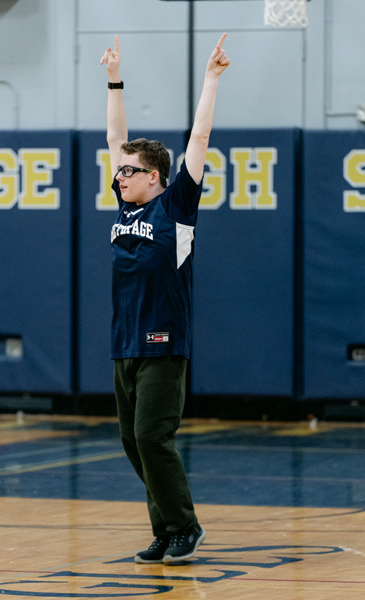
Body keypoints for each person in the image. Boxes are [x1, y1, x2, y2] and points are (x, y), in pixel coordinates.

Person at [100, 33, 229, 564]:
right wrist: (114, 80)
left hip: (162, 340)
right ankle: (164, 526)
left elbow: (199, 135)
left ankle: (185, 526)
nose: (119, 175)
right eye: (119, 171)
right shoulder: (125, 208)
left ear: (154, 177)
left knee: (153, 437)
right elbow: (115, 138)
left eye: (128, 171)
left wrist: (212, 79)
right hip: (124, 343)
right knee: (135, 444)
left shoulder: (174, 207)